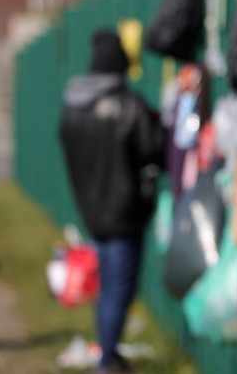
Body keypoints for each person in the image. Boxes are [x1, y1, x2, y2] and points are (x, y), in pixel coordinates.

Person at [59, 30, 165, 374]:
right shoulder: (125, 103)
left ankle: (108, 354)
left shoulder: (72, 104)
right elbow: (154, 148)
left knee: (106, 285)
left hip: (89, 209)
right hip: (124, 211)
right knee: (119, 287)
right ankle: (107, 361)